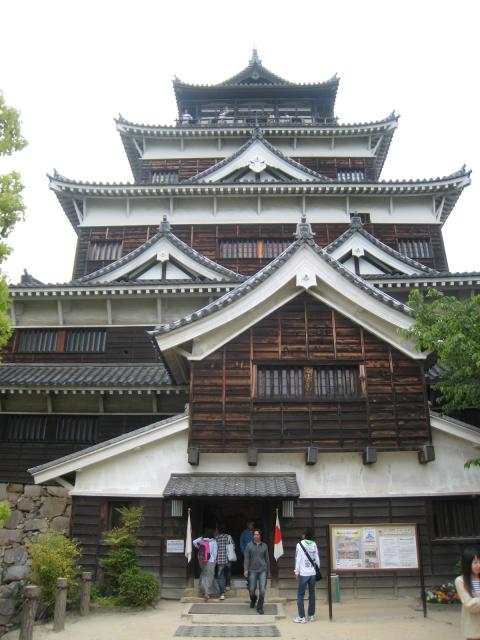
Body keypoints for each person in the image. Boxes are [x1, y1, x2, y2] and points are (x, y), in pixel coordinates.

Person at [293, 528, 320, 623]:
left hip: (304, 573)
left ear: (304, 535)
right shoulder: (314, 544)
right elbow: (317, 559)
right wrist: (317, 570)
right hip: (312, 573)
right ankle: (311, 615)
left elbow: (298, 559)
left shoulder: (300, 544)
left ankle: (302, 617)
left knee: (300, 594)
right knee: (312, 594)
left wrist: (296, 572)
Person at [455, 546, 480, 639]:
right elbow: (470, 605)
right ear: (467, 563)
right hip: (473, 630)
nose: (479, 565)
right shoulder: (460, 581)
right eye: (475, 562)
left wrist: (476, 601)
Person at [244, 528, 270, 615]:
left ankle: (260, 607)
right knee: (251, 589)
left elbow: (267, 559)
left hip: (263, 570)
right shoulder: (249, 546)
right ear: (253, 536)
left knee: (262, 590)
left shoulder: (265, 546)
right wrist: (245, 569)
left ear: (260, 536)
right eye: (254, 534)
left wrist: (268, 571)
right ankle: (253, 599)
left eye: (257, 534)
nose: (256, 536)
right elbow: (246, 558)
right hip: (252, 570)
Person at [193, 528, 218, 602]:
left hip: (201, 560)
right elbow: (215, 552)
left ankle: (204, 589)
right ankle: (206, 593)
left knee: (204, 574)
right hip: (210, 561)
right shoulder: (213, 541)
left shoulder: (202, 541)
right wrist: (215, 560)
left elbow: (194, 542)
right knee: (209, 576)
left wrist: (202, 537)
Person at [216, 525, 235, 601]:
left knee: (221, 576)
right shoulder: (229, 537)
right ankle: (228, 585)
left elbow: (215, 549)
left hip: (220, 560)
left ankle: (222, 594)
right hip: (228, 558)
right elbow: (233, 546)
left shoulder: (217, 538)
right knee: (228, 571)